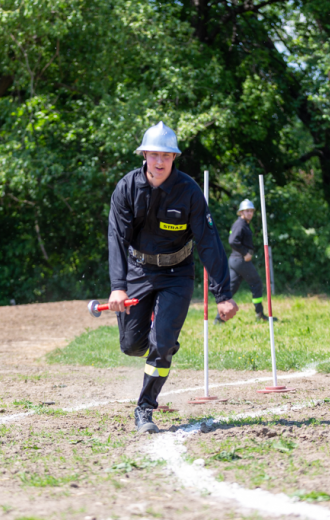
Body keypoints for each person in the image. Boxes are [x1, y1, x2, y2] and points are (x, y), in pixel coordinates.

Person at [107, 122, 239, 434]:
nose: (160, 161)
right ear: (144, 155)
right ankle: (160, 341)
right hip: (138, 270)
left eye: (166, 155)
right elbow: (116, 238)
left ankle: (145, 409)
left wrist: (223, 295)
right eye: (154, 154)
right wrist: (118, 287)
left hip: (177, 274)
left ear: (174, 157)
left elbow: (208, 242)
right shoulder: (126, 189)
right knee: (131, 345)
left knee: (161, 343)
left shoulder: (189, 192)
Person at [215, 199, 272, 323]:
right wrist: (245, 253)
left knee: (231, 289)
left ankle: (220, 318)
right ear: (241, 212)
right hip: (240, 260)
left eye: (251, 211)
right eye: (247, 211)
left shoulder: (243, 224)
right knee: (256, 283)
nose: (250, 213)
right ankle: (260, 314)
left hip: (236, 261)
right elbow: (232, 241)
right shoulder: (240, 224)